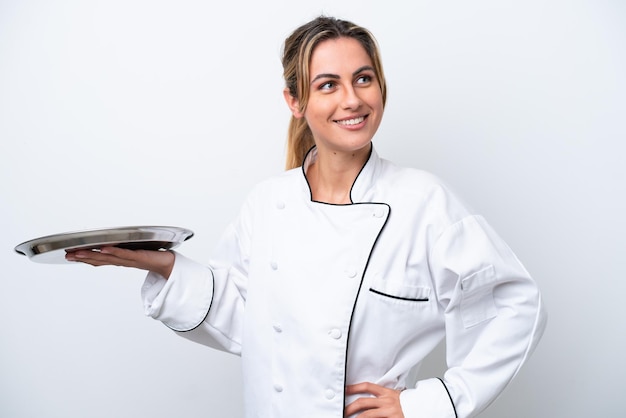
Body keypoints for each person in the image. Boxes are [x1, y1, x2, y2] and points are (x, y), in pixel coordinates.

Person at [66, 15, 547, 418]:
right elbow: (243, 322)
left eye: (363, 78)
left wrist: (430, 404)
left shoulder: (423, 201)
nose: (352, 99)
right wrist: (166, 267)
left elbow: (515, 305)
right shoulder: (268, 202)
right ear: (295, 102)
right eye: (328, 85)